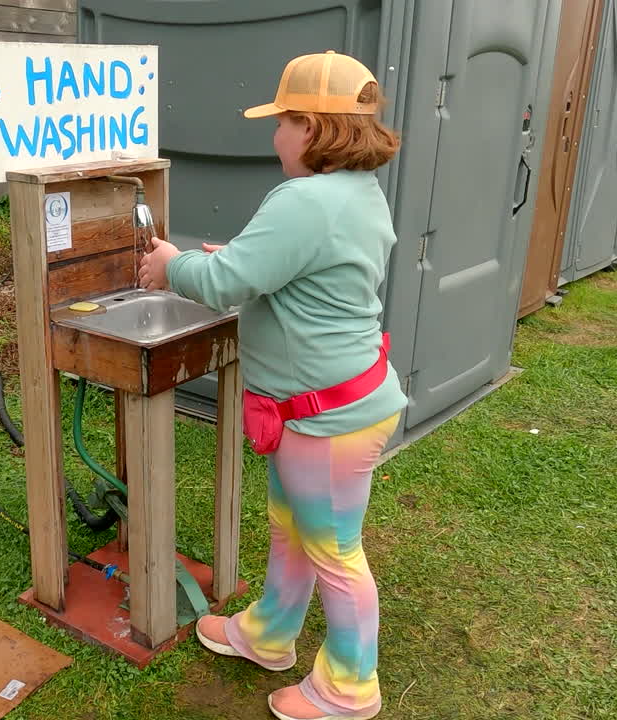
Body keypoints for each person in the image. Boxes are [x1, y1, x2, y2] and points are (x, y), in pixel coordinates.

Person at [137, 51, 408, 720]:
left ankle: (349, 689)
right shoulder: (356, 193)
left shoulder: (305, 199)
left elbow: (226, 283)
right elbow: (275, 268)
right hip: (331, 407)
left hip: (327, 422)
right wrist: (230, 264)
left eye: (283, 121)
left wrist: (170, 265)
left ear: (312, 127)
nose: (274, 136)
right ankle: (269, 635)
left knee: (335, 553)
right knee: (291, 528)